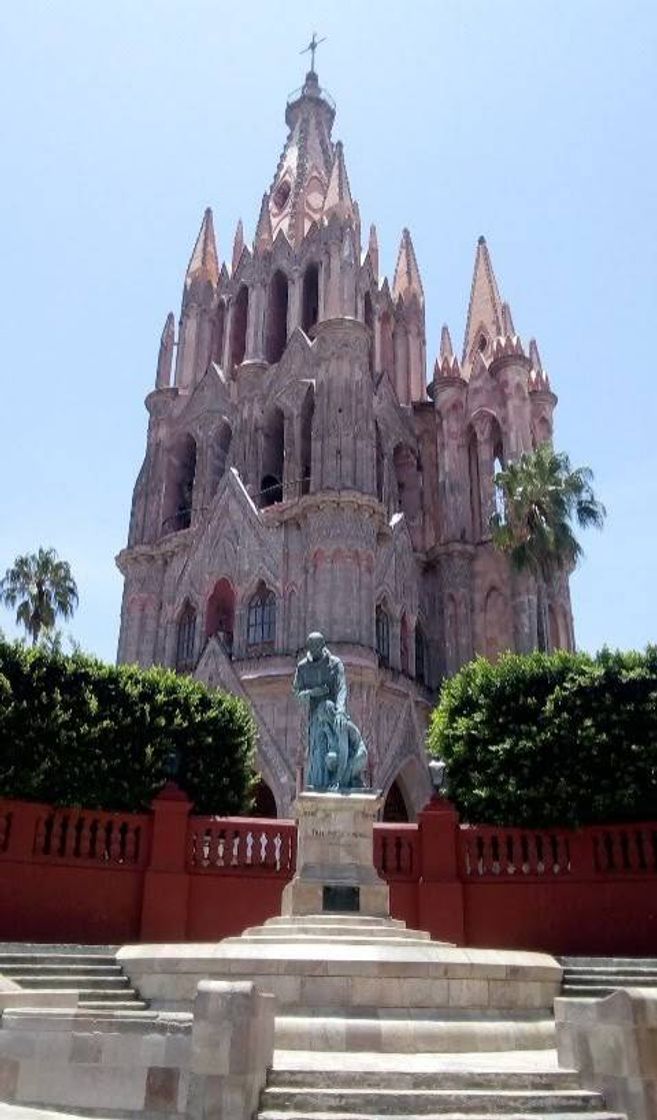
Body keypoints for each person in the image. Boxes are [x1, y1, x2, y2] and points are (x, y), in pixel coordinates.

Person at [293, 632, 368, 791]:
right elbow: (296, 693)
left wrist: (340, 711)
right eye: (310, 648)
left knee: (336, 749)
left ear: (322, 646)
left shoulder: (335, 664)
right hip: (315, 718)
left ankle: (338, 782)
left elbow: (342, 688)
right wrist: (312, 693)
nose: (313, 651)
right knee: (318, 757)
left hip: (333, 710)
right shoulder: (302, 667)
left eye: (316, 647)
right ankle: (319, 787)